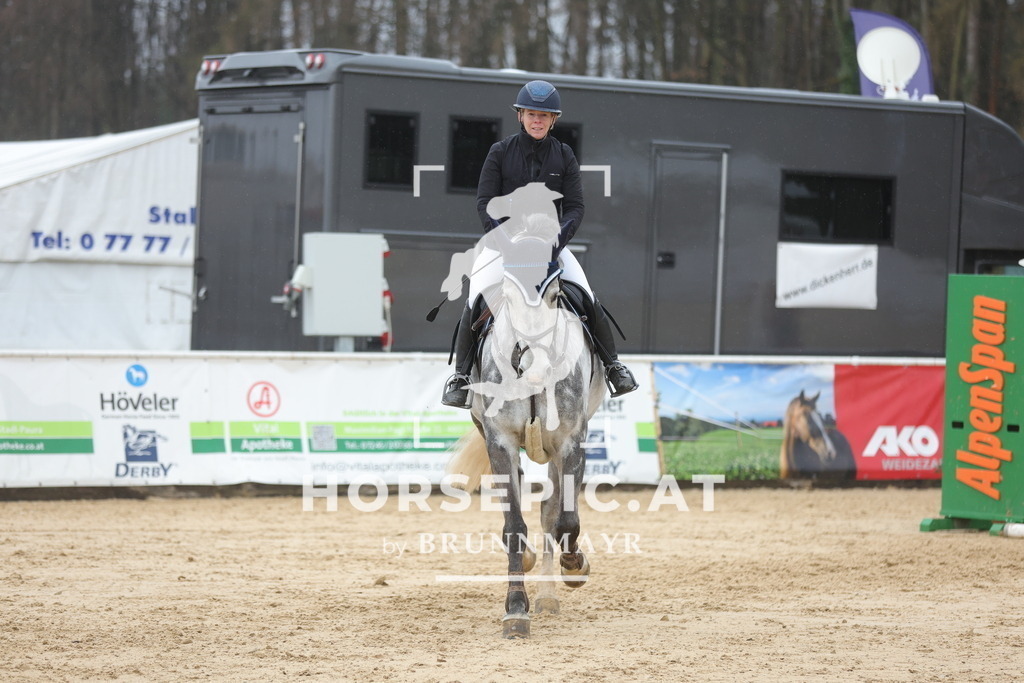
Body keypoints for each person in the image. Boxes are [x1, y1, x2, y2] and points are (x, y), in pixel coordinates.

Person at [441, 80, 638, 408]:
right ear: (520, 116)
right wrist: (505, 244)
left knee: (587, 297)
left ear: (553, 120)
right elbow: (484, 202)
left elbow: (575, 207)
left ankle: (613, 365)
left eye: (544, 116)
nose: (537, 120)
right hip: (503, 244)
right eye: (532, 114)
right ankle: (461, 377)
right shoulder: (500, 152)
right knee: (476, 299)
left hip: (550, 246)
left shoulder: (563, 155)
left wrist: (555, 243)